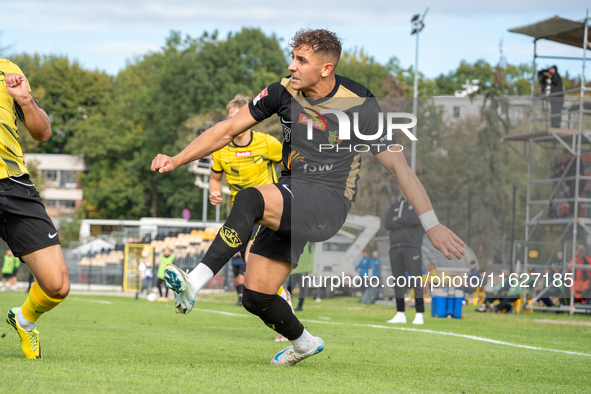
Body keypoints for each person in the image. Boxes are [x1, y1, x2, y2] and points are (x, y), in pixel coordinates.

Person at [151, 28, 464, 366]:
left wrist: (430, 223)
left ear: (326, 68)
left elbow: (399, 167)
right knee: (256, 296)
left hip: (328, 203)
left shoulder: (358, 103)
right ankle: (304, 343)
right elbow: (227, 130)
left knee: (249, 199)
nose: (291, 67)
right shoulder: (282, 92)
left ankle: (194, 281)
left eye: (301, 60)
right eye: (293, 58)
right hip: (291, 195)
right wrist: (176, 158)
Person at [2, 61, 70, 359]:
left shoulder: (7, 70)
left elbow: (42, 133)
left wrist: (25, 100)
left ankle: (25, 320)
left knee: (57, 286)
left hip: (14, 186)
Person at [208, 95, 292, 310]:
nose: (235, 123)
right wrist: (214, 192)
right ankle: (282, 297)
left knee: (251, 257)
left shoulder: (267, 143)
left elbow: (291, 165)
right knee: (251, 264)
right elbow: (215, 178)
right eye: (230, 118)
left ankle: (282, 303)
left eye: (239, 117)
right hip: (240, 214)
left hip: (266, 212)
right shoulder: (220, 149)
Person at [384, 192, 426, 325]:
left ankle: (419, 314)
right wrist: (403, 221)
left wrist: (398, 219)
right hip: (395, 247)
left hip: (412, 246)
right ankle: (400, 313)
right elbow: (387, 223)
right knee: (398, 281)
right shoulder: (395, 206)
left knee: (415, 279)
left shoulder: (419, 206)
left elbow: (415, 219)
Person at [288, 242, 314, 312]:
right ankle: (288, 304)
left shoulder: (309, 243)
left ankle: (300, 306)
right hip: (294, 270)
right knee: (289, 288)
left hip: (303, 270)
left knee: (302, 289)